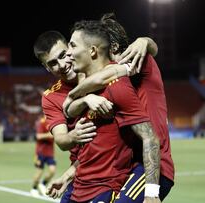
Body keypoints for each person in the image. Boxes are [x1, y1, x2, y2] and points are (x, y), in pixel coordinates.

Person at [34, 29, 158, 201]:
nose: (62, 65)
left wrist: (144, 40)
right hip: (81, 172)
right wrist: (74, 133)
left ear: (71, 49)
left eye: (63, 55)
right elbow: (62, 141)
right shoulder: (51, 97)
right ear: (47, 67)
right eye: (53, 63)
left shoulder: (103, 74)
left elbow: (143, 58)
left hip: (112, 174)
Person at [63, 13, 174, 202]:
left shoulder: (138, 60)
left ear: (111, 48)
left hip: (154, 165)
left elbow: (103, 76)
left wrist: (145, 41)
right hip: (131, 164)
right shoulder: (112, 83)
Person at [30, 114, 56, 197]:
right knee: (39, 172)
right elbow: (38, 136)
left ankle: (43, 184)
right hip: (40, 153)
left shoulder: (54, 122)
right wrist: (49, 135)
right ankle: (34, 188)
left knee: (52, 170)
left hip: (50, 153)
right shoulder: (42, 122)